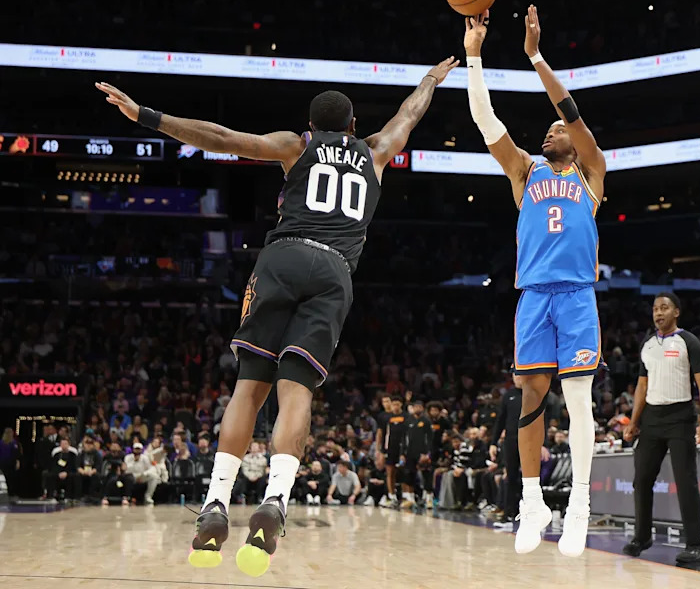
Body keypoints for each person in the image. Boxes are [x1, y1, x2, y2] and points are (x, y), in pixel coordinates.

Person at [96, 55, 459, 576]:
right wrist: (430, 79)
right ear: (354, 126)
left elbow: (223, 138)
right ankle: (276, 499)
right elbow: (409, 114)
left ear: (311, 125)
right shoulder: (377, 150)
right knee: (297, 393)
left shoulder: (296, 145)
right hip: (334, 271)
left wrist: (147, 116)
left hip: (283, 257)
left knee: (250, 387)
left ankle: (216, 502)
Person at [463, 5, 605, 558]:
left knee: (579, 398)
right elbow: (485, 120)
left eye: (556, 129)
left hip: (576, 296)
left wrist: (535, 57)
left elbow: (570, 111)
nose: (550, 131)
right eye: (546, 129)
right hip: (534, 296)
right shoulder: (526, 170)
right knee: (530, 396)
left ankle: (580, 505)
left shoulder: (592, 172)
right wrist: (475, 55)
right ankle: (531, 501)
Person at [622, 293, 700, 563]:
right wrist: (634, 421)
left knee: (685, 481)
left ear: (676, 312)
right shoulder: (648, 345)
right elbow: (642, 386)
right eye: (655, 309)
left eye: (664, 308)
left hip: (680, 416)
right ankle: (642, 537)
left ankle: (694, 544)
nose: (658, 313)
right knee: (641, 479)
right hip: (651, 418)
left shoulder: (688, 341)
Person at [400, 400, 432, 508]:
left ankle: (429, 499)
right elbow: (404, 438)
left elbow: (430, 439)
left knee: (426, 475)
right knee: (409, 475)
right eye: (416, 407)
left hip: (422, 453)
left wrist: (427, 453)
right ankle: (410, 499)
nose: (418, 408)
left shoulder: (426, 421)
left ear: (422, 408)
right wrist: (402, 453)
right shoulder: (408, 421)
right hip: (410, 452)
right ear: (412, 408)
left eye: (419, 407)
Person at [383, 397, 407, 507]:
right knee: (390, 472)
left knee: (403, 473)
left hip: (402, 448)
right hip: (390, 448)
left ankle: (405, 496)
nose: (395, 406)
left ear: (401, 404)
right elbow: (385, 433)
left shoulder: (406, 416)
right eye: (394, 404)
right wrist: (383, 450)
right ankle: (391, 496)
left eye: (397, 404)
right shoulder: (388, 418)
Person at [0, 428, 20, 496]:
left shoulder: (13, 443)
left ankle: (10, 492)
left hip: (10, 462)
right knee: (7, 477)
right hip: (4, 462)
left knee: (11, 478)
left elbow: (16, 453)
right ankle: (8, 491)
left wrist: (17, 461)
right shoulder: (2, 443)